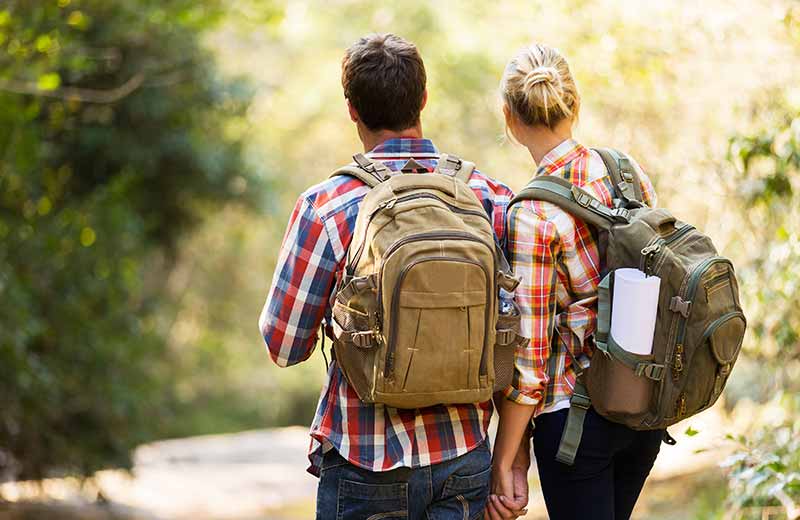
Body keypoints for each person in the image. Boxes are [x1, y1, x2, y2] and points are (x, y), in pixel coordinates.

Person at [259, 33, 516, 520]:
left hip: (363, 459)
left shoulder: (327, 207)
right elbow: (514, 335)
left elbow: (283, 345)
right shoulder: (487, 198)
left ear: (351, 109)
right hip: (463, 455)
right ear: (424, 99)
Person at [486, 44, 662, 520]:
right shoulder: (625, 172)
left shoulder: (531, 214)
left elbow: (530, 358)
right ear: (575, 104)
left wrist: (505, 460)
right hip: (644, 408)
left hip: (576, 422)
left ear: (509, 117)